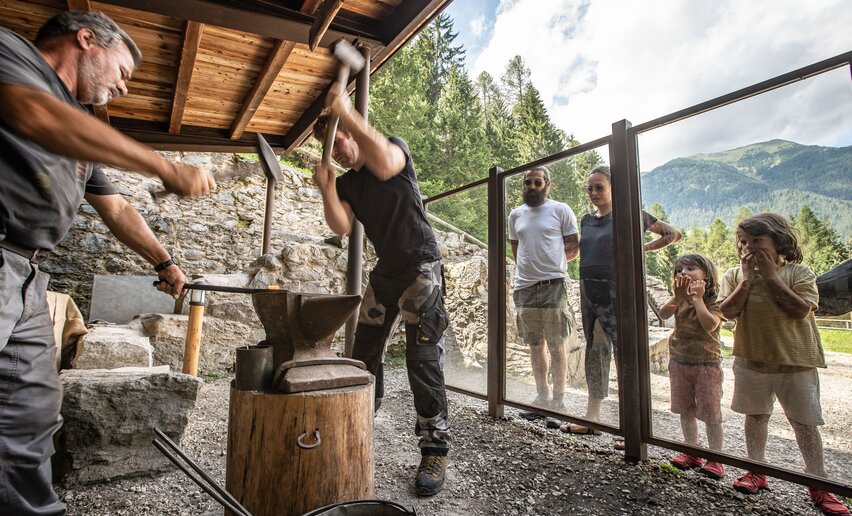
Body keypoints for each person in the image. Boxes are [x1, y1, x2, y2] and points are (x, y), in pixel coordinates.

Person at [0, 11, 214, 515]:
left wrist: (166, 262)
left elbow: (115, 208)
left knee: (29, 418)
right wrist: (163, 164)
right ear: (87, 38)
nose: (123, 85)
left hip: (29, 274)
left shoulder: (84, 128)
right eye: (122, 70)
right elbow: (34, 115)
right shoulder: (14, 55)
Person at [312, 82, 450, 496]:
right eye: (329, 146)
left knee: (422, 358)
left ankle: (435, 448)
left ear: (353, 132)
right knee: (363, 354)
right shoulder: (350, 183)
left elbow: (388, 164)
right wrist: (326, 187)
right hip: (387, 271)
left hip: (421, 265)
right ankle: (356, 427)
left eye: (339, 141)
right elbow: (339, 225)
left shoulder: (390, 148)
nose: (336, 150)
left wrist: (346, 110)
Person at [719, 213, 849, 515]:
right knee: (755, 417)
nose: (749, 248)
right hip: (751, 360)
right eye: (744, 243)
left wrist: (772, 276)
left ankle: (819, 483)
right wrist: (748, 281)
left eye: (757, 241)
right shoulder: (735, 275)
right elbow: (727, 311)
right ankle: (756, 470)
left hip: (796, 362)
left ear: (778, 242)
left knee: (804, 423)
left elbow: (800, 310)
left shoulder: (799, 273)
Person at [560, 165, 681, 450]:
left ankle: (630, 426)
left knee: (623, 352)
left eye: (599, 187)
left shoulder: (630, 216)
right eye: (589, 188)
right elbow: (579, 251)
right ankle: (592, 419)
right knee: (595, 350)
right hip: (588, 288)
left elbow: (672, 234)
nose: (593, 193)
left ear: (613, 188)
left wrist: (641, 249)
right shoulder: (586, 220)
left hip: (618, 289)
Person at [508, 166, 579, 421]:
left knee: (556, 344)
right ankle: (541, 398)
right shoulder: (515, 214)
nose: (532, 187)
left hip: (553, 285)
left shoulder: (560, 210)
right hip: (524, 287)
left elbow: (573, 246)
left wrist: (553, 264)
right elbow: (516, 248)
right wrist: (528, 269)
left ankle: (558, 403)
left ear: (547, 184)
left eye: (537, 182)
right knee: (535, 345)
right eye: (528, 183)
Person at [658, 254, 725, 479]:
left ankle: (716, 457)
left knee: (710, 412)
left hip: (707, 362)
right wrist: (677, 298)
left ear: (706, 274)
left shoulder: (713, 299)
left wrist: (698, 300)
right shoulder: (678, 298)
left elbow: (709, 325)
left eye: (690, 268)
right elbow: (663, 314)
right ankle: (691, 450)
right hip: (679, 360)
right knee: (685, 409)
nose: (683, 273)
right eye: (679, 270)